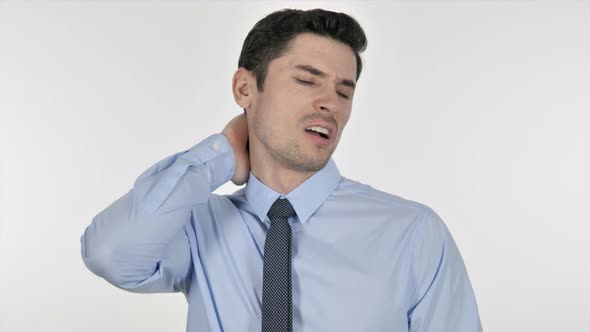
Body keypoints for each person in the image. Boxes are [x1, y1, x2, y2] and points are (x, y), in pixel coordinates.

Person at [80, 8, 483, 332]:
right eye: (308, 81)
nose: (332, 103)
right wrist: (221, 153)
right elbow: (110, 253)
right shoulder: (197, 225)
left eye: (345, 91)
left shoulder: (412, 233)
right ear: (245, 89)